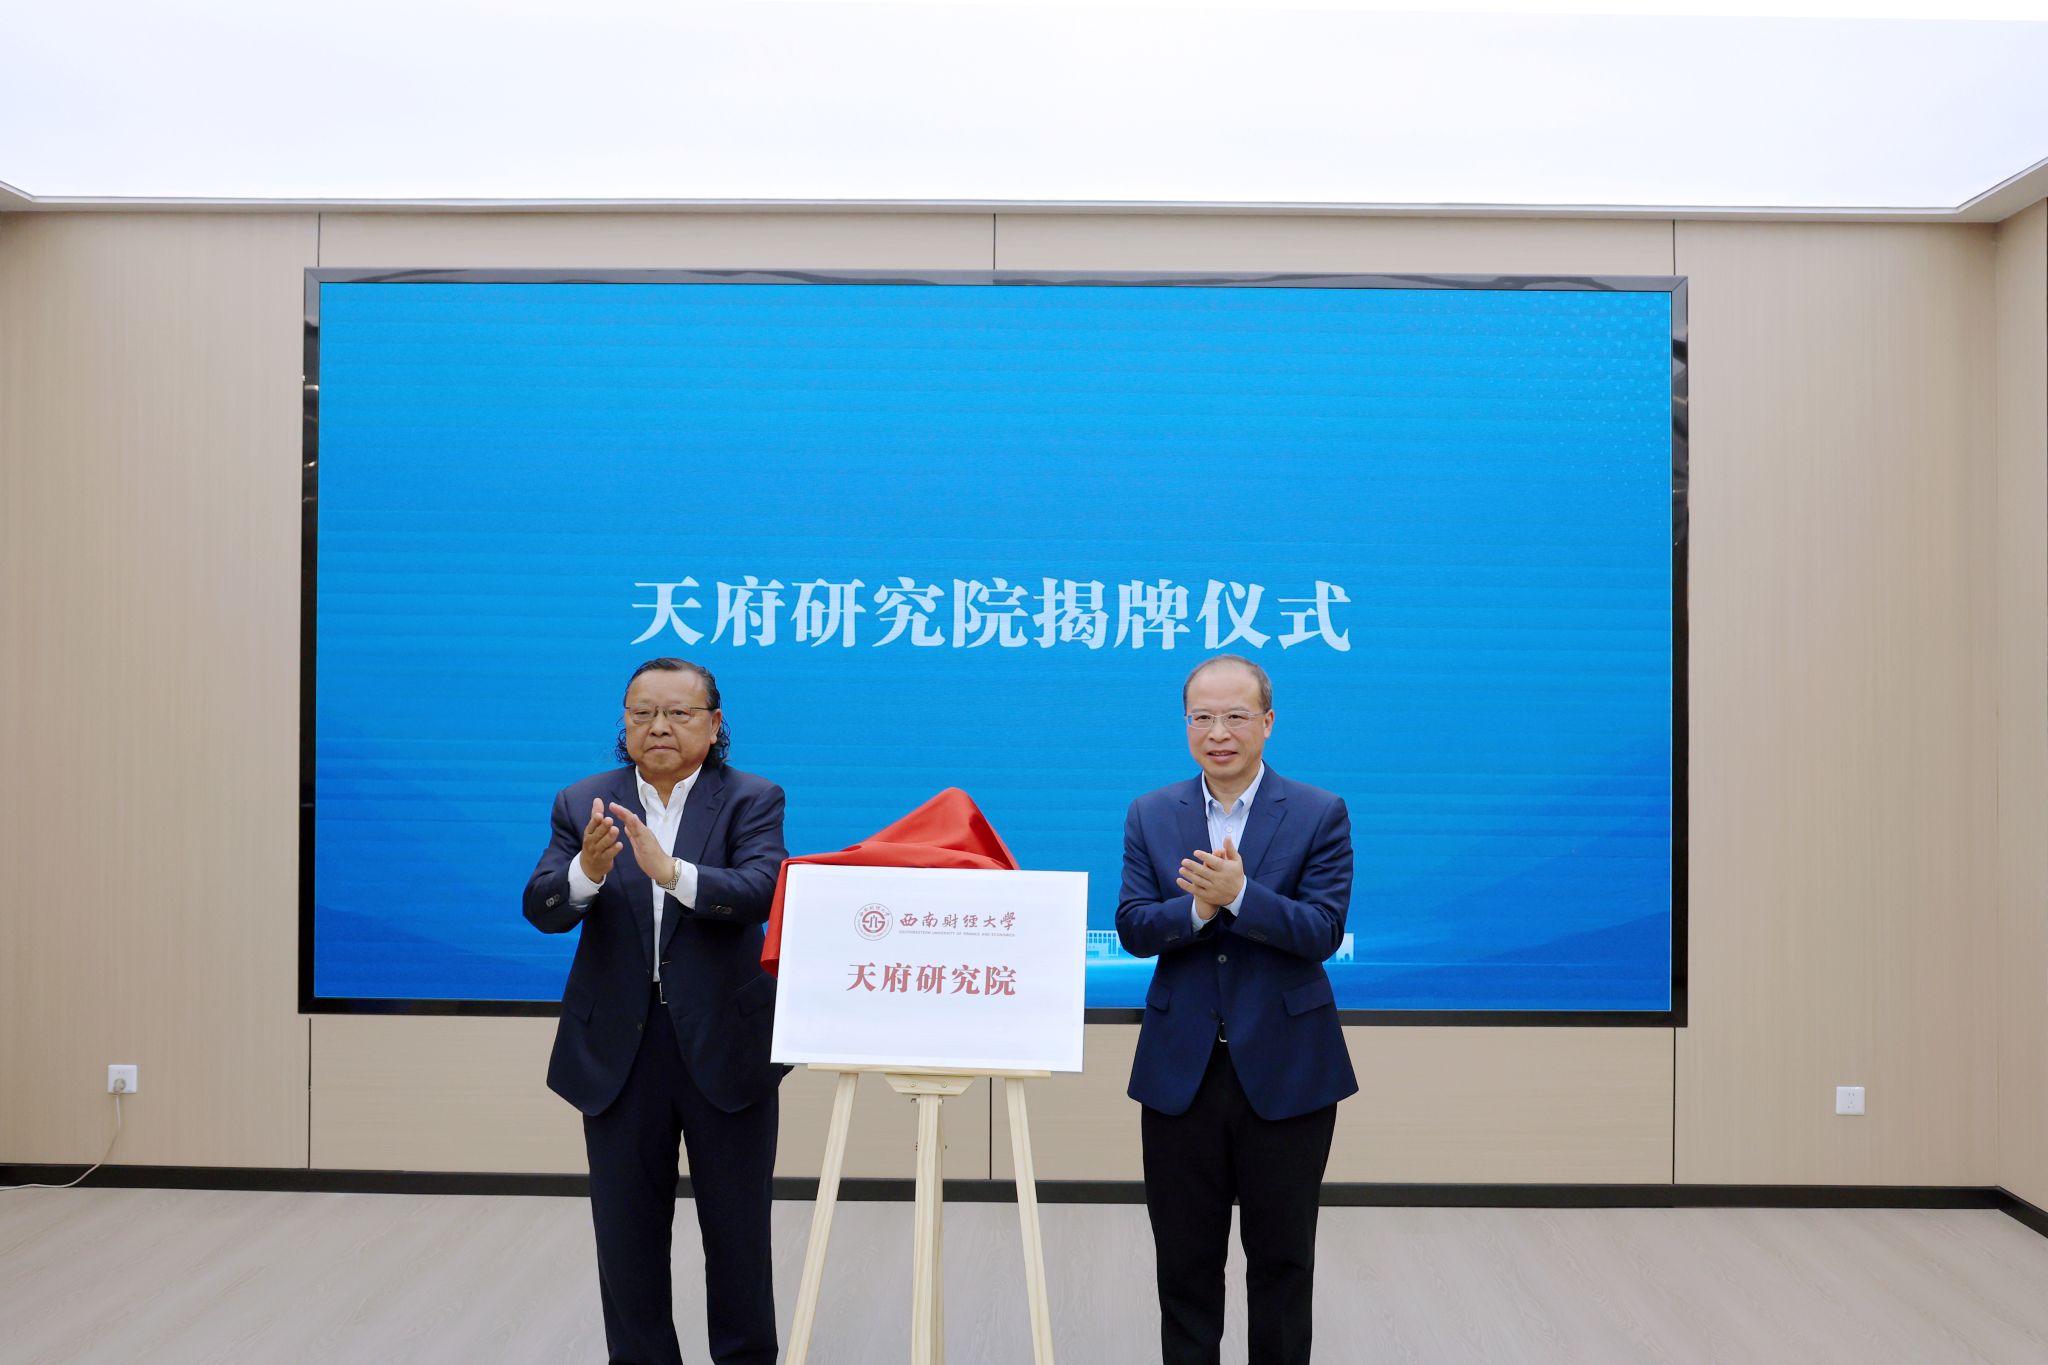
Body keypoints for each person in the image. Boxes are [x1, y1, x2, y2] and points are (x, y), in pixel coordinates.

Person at [524, 658, 789, 1365]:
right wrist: (586, 871)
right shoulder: (584, 801)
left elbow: (763, 890)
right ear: (625, 722)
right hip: (619, 1048)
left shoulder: (752, 798)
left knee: (738, 1234)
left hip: (724, 1043)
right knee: (627, 1235)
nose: (659, 727)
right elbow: (542, 907)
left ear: (714, 722)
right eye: (642, 714)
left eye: (677, 712)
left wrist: (672, 874)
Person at [1116, 653, 1358, 1365]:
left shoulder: (1318, 811)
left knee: (1282, 1261)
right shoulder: (1151, 812)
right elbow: (1132, 926)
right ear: (1185, 723)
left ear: (1268, 722)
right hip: (1180, 1072)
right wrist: (1197, 909)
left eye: (1235, 716)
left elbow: (1322, 930)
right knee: (1184, 1262)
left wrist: (1243, 897)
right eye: (1202, 717)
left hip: (1288, 1070)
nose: (1218, 732)